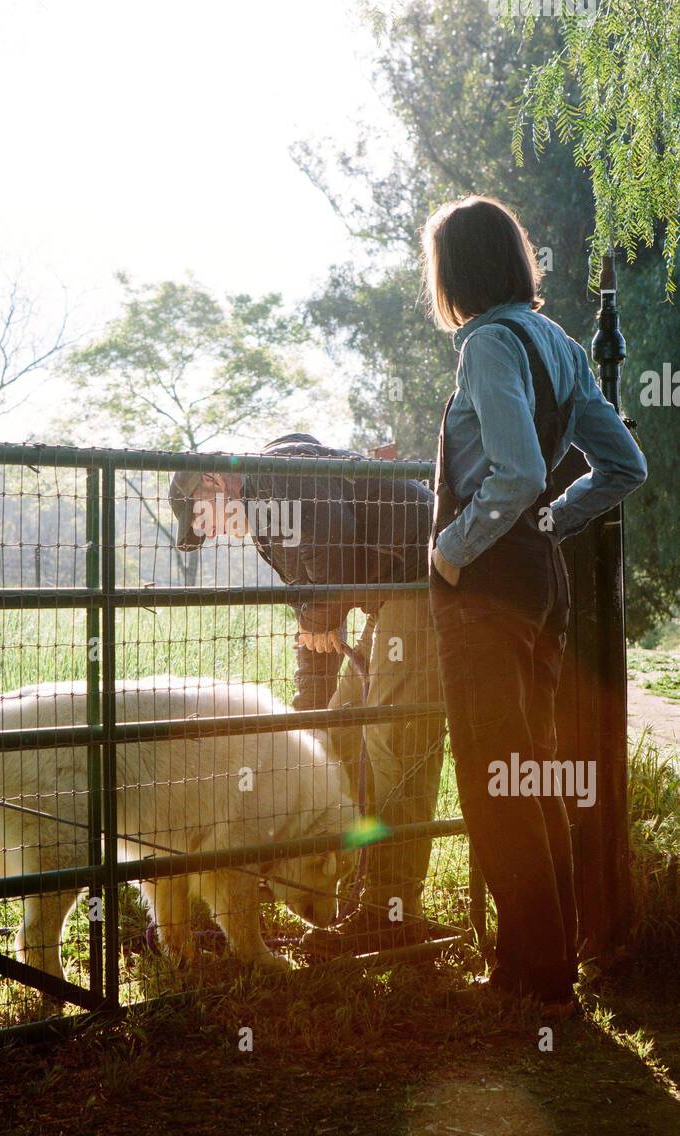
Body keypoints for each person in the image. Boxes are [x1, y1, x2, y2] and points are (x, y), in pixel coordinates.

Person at [424, 195, 647, 1015]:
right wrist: (557, 521)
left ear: (458, 270)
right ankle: (541, 968)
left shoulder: (486, 343)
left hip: (484, 587)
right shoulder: (556, 341)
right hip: (539, 581)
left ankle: (538, 981)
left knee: (496, 780)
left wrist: (451, 550)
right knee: (529, 772)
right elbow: (624, 465)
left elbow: (513, 472)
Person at [168, 433, 446, 957]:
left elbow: (333, 563)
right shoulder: (264, 510)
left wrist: (320, 619)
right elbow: (314, 614)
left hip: (422, 577)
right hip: (389, 589)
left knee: (396, 740)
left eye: (204, 520)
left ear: (213, 481)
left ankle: (392, 912)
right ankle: (333, 883)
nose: (214, 534)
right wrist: (305, 719)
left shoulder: (277, 481)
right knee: (334, 737)